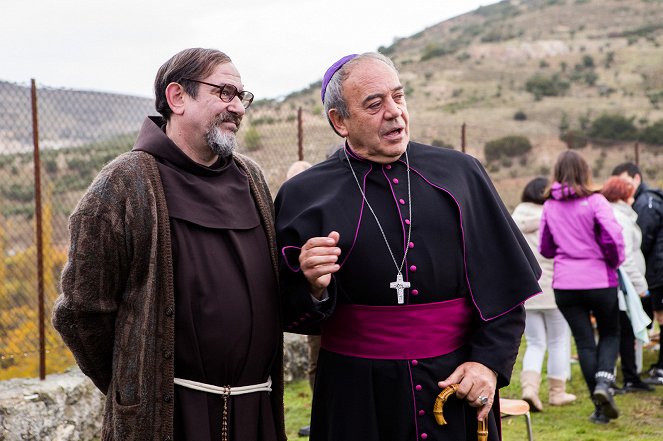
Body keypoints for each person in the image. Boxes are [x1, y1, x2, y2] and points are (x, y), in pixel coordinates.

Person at [275, 52, 542, 441]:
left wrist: (487, 364)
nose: (394, 112)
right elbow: (283, 309)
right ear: (339, 121)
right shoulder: (304, 193)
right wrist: (312, 285)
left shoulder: (461, 173)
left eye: (398, 97)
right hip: (355, 394)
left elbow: (505, 289)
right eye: (374, 103)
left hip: (452, 382)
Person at [52, 48, 285, 441]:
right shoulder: (123, 185)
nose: (238, 108)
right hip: (168, 419)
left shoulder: (252, 179)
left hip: (255, 411)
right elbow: (81, 311)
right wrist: (135, 386)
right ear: (177, 97)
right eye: (224, 92)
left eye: (241, 96)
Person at [539, 150, 625, 424]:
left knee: (585, 343)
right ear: (585, 171)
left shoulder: (550, 206)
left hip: (566, 283)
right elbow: (613, 237)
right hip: (599, 278)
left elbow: (546, 248)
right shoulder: (596, 201)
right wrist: (613, 261)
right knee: (610, 334)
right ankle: (603, 384)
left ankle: (599, 408)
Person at [512, 177, 576, 412]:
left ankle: (530, 389)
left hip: (526, 290)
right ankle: (557, 392)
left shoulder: (515, 217)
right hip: (554, 287)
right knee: (559, 340)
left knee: (535, 343)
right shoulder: (555, 215)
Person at [612, 162, 663, 386]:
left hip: (657, 271)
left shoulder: (646, 203)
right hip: (651, 271)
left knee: (660, 318)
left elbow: (644, 240)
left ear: (637, 178)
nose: (625, 186)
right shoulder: (643, 201)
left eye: (627, 180)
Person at [601, 176, 654, 393]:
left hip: (619, 283)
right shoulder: (621, 217)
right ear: (623, 195)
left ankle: (624, 375)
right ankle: (627, 376)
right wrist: (641, 285)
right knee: (624, 330)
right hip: (623, 285)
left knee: (620, 330)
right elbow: (627, 257)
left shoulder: (615, 214)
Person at [285, 160, 317, 438]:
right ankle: (314, 415)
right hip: (307, 305)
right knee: (313, 363)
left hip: (332, 306)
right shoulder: (290, 211)